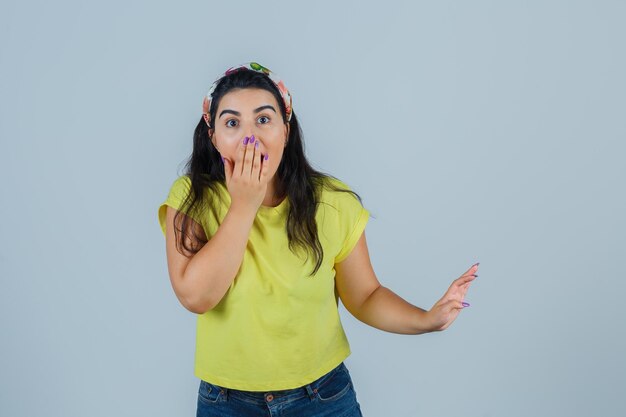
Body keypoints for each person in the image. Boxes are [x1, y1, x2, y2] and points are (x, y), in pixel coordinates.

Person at [157, 61, 479, 416]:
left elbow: (365, 296)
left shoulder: (332, 201)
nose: (250, 136)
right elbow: (196, 296)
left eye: (264, 119)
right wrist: (244, 204)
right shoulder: (191, 197)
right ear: (213, 136)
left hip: (322, 399)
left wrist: (426, 319)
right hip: (226, 403)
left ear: (286, 130)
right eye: (232, 123)